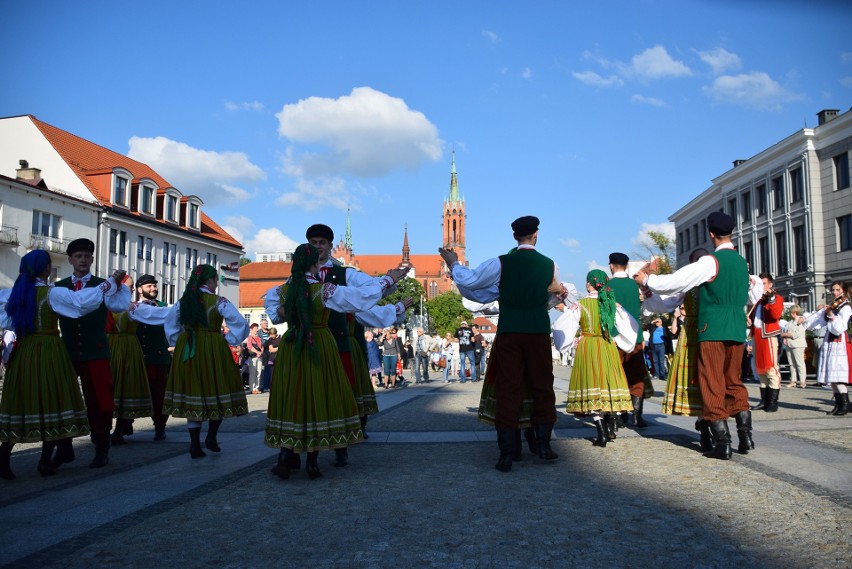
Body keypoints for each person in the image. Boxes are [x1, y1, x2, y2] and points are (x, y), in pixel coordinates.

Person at [263, 243, 408, 480]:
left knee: (293, 396)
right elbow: (358, 299)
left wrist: (291, 312)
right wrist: (388, 280)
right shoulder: (324, 290)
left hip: (291, 346)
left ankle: (284, 457)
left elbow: (275, 314)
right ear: (316, 264)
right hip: (318, 343)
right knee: (318, 394)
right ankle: (312, 462)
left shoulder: (283, 291)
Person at [440, 215, 564, 472]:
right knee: (543, 385)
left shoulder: (501, 262)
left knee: (509, 387)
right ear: (536, 234)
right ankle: (543, 445)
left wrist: (454, 264)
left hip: (510, 331)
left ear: (514, 236)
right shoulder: (550, 265)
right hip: (538, 330)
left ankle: (507, 454)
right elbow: (550, 300)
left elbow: (471, 282)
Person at [634, 212, 753, 460]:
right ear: (731, 232)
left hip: (712, 329)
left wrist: (648, 279)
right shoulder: (743, 263)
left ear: (711, 234)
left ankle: (723, 442)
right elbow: (752, 296)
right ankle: (745, 435)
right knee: (734, 380)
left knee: (711, 382)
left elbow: (675, 282)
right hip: (736, 328)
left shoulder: (711, 262)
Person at [0, 250, 126, 479]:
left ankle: (4, 457)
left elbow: (6, 321)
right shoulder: (52, 293)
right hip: (49, 350)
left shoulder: (15, 294)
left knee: (20, 401)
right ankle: (46, 460)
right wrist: (111, 282)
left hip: (25, 353)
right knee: (53, 400)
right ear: (46, 269)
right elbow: (82, 303)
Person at [55, 238, 131, 468]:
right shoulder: (59, 286)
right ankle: (63, 447)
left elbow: (120, 306)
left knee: (99, 401)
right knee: (62, 399)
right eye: (78, 256)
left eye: (87, 256)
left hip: (96, 351)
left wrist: (118, 285)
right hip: (67, 351)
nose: (83, 260)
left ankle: (101, 447)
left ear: (92, 259)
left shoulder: (102, 285)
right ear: (70, 260)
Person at [164, 264, 249, 459]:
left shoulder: (183, 301)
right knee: (216, 389)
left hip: (189, 347)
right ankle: (211, 436)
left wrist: (178, 340)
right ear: (209, 281)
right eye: (215, 281)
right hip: (213, 347)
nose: (216, 285)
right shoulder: (218, 301)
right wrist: (228, 339)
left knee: (193, 391)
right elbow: (240, 323)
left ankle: (195, 444)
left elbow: (170, 323)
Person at [641, 248, 715, 452]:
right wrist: (648, 290)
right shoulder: (699, 284)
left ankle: (708, 425)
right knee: (706, 379)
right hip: (707, 330)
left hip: (696, 332)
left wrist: (648, 285)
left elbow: (664, 304)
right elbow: (664, 304)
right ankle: (712, 426)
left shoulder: (691, 284)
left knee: (702, 378)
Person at [553, 270, 635, 448]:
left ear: (588, 284)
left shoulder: (580, 305)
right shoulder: (611, 303)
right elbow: (629, 324)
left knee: (592, 385)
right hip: (607, 345)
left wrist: (567, 344)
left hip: (588, 346)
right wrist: (624, 342)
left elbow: (562, 325)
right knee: (607, 385)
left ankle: (601, 433)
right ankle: (610, 427)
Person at [107, 275, 154, 446]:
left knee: (126, 387)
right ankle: (107, 429)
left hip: (128, 348)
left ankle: (120, 428)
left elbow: (157, 315)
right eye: (130, 286)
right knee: (110, 386)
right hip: (111, 347)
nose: (133, 289)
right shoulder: (105, 305)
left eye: (133, 286)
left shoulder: (135, 307)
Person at [608, 252, 649, 428]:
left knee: (617, 376)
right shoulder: (635, 285)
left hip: (614, 337)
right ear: (626, 266)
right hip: (635, 336)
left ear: (611, 266)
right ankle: (636, 415)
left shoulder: (607, 287)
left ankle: (618, 416)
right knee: (637, 376)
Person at [132, 274, 172, 441]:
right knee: (130, 392)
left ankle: (160, 426)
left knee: (159, 394)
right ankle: (123, 426)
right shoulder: (132, 307)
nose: (154, 289)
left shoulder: (164, 307)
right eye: (149, 286)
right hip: (137, 357)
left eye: (154, 286)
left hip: (159, 357)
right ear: (140, 289)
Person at [804, 281, 851, 415]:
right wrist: (812, 316)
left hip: (839, 342)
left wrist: (831, 315)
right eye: (833, 290)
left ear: (843, 290)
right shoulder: (833, 306)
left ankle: (845, 405)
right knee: (832, 377)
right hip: (829, 341)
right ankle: (838, 404)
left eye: (837, 290)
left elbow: (839, 328)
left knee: (838, 376)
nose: (835, 292)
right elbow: (818, 323)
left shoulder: (846, 307)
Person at [747, 273, 785, 412]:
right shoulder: (758, 300)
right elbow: (754, 319)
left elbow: (775, 315)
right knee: (761, 370)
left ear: (770, 285)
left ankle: (773, 402)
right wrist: (749, 321)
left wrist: (771, 299)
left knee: (771, 369)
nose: (761, 286)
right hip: (757, 335)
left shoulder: (776, 298)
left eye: (763, 283)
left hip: (769, 335)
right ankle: (764, 401)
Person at [781, 306, 808, 389]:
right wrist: (785, 337)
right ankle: (793, 380)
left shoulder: (801, 321)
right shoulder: (790, 322)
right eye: (791, 312)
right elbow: (785, 331)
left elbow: (795, 334)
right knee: (791, 364)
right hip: (789, 345)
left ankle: (803, 381)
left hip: (798, 345)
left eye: (793, 312)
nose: (791, 314)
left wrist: (785, 335)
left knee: (800, 363)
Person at [245, 323, 264, 394]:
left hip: (259, 357)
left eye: (257, 328)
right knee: (253, 373)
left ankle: (257, 387)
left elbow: (262, 346)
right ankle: (252, 388)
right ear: (251, 329)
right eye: (255, 328)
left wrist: (261, 352)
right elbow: (249, 346)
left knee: (259, 372)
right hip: (253, 357)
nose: (256, 330)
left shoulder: (259, 338)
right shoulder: (249, 337)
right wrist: (257, 352)